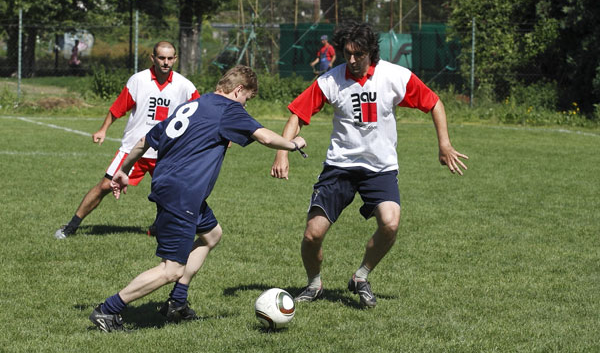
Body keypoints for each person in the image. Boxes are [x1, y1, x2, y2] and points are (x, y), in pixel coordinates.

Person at [89, 65, 306, 332]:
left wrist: (124, 169)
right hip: (182, 193)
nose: (245, 106)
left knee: (212, 235)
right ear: (238, 90)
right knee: (171, 270)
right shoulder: (229, 109)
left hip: (176, 188)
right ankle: (108, 310)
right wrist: (293, 144)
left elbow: (146, 139)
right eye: (247, 99)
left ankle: (176, 303)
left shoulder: (194, 104)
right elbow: (264, 137)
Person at [271, 21, 468, 308]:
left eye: (358, 54)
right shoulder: (331, 80)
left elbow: (434, 102)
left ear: (370, 52)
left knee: (390, 223)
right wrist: (282, 152)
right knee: (312, 234)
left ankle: (361, 277)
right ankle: (314, 285)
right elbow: (297, 116)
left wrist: (445, 144)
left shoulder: (393, 76)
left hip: (380, 168)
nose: (351, 60)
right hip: (339, 167)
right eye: (346, 53)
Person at [55, 41, 200, 239]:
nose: (166, 63)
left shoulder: (185, 87)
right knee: (105, 186)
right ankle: (71, 226)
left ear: (175, 59)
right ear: (153, 58)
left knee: (171, 193)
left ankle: (159, 226)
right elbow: (118, 107)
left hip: (165, 151)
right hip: (134, 148)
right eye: (161, 58)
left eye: (169, 58)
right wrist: (103, 129)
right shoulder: (138, 80)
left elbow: (200, 113)